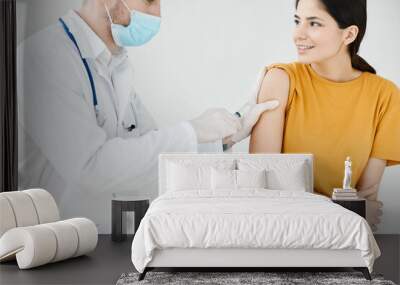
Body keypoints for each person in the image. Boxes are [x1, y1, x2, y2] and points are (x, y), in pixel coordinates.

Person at [17, 0, 278, 233]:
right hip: (54, 244)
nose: (158, 13)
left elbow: (150, 156)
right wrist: (193, 131)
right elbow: (90, 167)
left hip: (103, 240)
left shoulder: (115, 65)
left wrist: (223, 138)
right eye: (150, 1)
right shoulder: (42, 56)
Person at [249, 0, 400, 231]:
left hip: (342, 239)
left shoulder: (384, 94)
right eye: (297, 21)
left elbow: (367, 202)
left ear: (349, 34)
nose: (298, 34)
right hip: (280, 230)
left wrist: (344, 212)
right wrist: (340, 209)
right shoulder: (281, 79)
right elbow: (263, 183)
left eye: (314, 24)